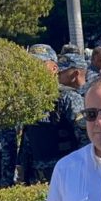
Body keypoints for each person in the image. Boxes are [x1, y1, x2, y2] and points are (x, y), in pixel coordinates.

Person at [18, 46, 89, 184]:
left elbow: (84, 139)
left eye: (39, 64)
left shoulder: (67, 97)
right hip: (36, 180)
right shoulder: (31, 100)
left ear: (54, 68)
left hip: (65, 178)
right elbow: (27, 142)